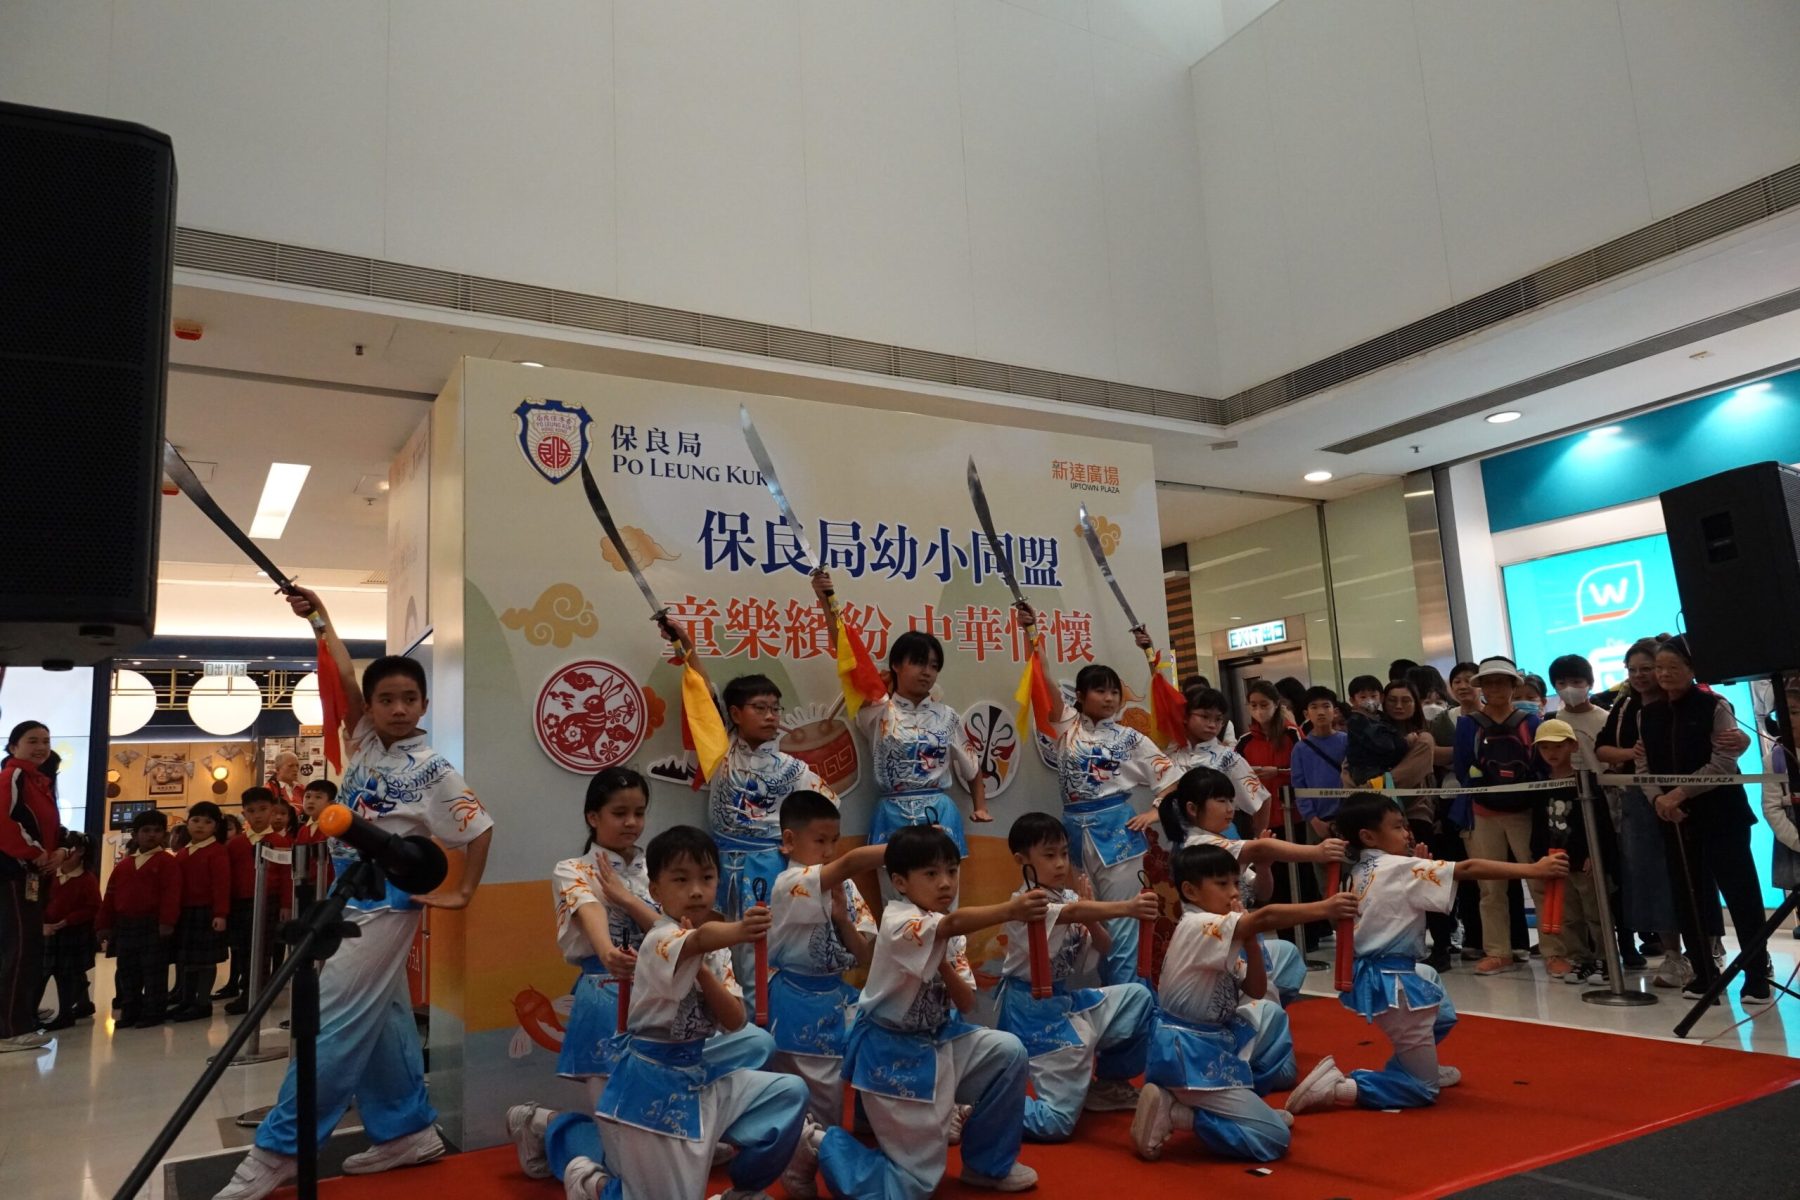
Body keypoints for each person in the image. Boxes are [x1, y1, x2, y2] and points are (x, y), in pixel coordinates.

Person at [216, 586, 495, 1200]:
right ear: (371, 706)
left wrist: (464, 893)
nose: (398, 708)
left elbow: (480, 828)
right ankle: (407, 1131)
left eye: (409, 699)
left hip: (387, 903)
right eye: (386, 699)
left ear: (424, 705)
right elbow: (343, 677)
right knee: (385, 1017)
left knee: (334, 1022)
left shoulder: (436, 769)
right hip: (349, 893)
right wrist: (320, 618)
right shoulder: (364, 738)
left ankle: (278, 1151)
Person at [1287, 793, 1567, 1115]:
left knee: (1433, 988)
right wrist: (1534, 869)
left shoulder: (1359, 869)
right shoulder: (1400, 867)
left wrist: (1419, 867)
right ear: (1368, 836)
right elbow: (1469, 867)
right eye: (1397, 827)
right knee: (1423, 1090)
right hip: (1395, 983)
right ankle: (1342, 1087)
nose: (1406, 833)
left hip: (1378, 974)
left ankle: (1418, 1065)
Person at [815, 825, 1043, 1197]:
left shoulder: (949, 931)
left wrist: (941, 960)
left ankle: (987, 1165)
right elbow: (949, 923)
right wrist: (1011, 909)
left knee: (1008, 1052)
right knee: (915, 1184)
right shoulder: (898, 920)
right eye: (931, 873)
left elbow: (966, 1002)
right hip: (891, 1050)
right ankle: (817, 1143)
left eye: (952, 871)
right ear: (900, 882)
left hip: (938, 1039)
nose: (946, 883)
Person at [589, 826, 809, 1200]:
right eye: (681, 880)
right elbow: (699, 939)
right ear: (655, 891)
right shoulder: (661, 937)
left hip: (699, 1074)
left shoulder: (716, 949)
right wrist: (740, 929)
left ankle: (744, 1189)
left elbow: (735, 1020)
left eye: (706, 878)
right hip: (654, 1078)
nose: (695, 890)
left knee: (788, 1092)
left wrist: (704, 970)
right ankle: (590, 1183)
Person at [1130, 843, 1356, 1164]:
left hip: (1212, 1040)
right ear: (1190, 891)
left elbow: (1256, 989)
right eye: (1222, 884)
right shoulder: (1199, 923)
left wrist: (1250, 940)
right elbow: (1268, 916)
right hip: (1186, 1051)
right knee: (1274, 1139)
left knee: (1270, 1017)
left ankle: (1238, 1107)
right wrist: (1325, 908)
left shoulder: (1224, 930)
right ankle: (1179, 1113)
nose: (1233, 892)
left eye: (1235, 883)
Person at [664, 614, 836, 999]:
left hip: (769, 866)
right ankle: (730, 1019)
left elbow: (825, 813)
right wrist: (686, 645)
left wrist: (799, 851)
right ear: (736, 714)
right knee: (717, 948)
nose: (771, 715)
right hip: (718, 866)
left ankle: (765, 1017)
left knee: (764, 949)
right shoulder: (720, 748)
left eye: (775, 708)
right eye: (760, 707)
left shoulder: (794, 769)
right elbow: (702, 694)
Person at [1028, 600, 1177, 986]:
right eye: (1100, 691)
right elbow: (1045, 681)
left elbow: (1171, 776)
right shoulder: (1067, 725)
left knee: (1124, 920)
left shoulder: (1130, 737)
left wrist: (1155, 810)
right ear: (1080, 695)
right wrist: (1033, 636)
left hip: (1119, 834)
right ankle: (1104, 998)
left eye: (1114, 692)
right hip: (1074, 834)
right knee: (1086, 919)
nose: (1110, 698)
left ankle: (1131, 999)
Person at [815, 570, 982, 896]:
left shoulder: (947, 716)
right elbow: (849, 657)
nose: (927, 672)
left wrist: (980, 806)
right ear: (896, 665)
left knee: (944, 902)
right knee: (897, 905)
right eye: (918, 663)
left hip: (940, 812)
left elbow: (972, 767)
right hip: (892, 815)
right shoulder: (877, 710)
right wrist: (827, 601)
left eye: (933, 666)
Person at [995, 812, 1156, 1142]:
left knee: (1139, 997)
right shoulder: (1024, 902)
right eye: (1049, 855)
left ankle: (1108, 1084)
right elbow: (1071, 913)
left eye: (1064, 854)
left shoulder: (1068, 897)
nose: (1060, 864)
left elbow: (1104, 945)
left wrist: (1092, 915)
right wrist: (1127, 908)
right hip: (1032, 1012)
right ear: (1021, 860)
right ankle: (979, 1107)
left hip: (1064, 1001)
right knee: (1055, 1123)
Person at [1638, 635, 1772, 1005]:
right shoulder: (1647, 713)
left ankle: (1756, 975)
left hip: (1722, 815)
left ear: (1692, 670)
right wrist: (1659, 799)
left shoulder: (1714, 705)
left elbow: (1724, 763)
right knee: (1688, 898)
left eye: (1673, 667)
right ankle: (1703, 974)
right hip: (1674, 819)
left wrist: (1679, 793)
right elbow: (1642, 766)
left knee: (1741, 896)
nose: (1664, 674)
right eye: (1659, 667)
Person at [1156, 767, 1343, 1003]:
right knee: (1260, 1002)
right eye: (1221, 801)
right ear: (1193, 809)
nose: (1230, 808)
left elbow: (1262, 893)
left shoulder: (1221, 843)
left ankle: (1263, 1005)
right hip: (1215, 936)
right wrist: (1317, 852)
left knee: (1286, 954)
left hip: (1239, 931)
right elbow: (1261, 849)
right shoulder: (1198, 843)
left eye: (1231, 800)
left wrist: (1264, 868)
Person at [765, 789, 882, 1151]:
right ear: (789, 840)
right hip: (795, 996)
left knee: (886, 1035)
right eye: (820, 841)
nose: (829, 850)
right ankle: (802, 1155)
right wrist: (911, 847)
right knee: (813, 1101)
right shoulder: (790, 882)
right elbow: (850, 862)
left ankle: (869, 1120)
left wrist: (842, 918)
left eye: (835, 840)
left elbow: (863, 955)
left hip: (837, 994)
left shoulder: (844, 886)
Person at [1595, 638, 1689, 984]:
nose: (1639, 676)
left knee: (1691, 873)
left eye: (1647, 668)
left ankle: (1707, 947)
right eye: (1632, 670)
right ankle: (1672, 955)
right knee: (1650, 877)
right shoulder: (1624, 706)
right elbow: (1602, 748)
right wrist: (1631, 755)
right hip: (1637, 801)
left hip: (1684, 797)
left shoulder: (1684, 701)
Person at [1452, 656, 1542, 975]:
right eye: (1488, 683)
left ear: (1512, 686)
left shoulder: (1531, 722)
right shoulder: (1468, 725)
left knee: (1539, 880)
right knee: (1490, 887)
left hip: (1524, 811)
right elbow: (1462, 767)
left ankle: (1557, 950)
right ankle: (1497, 951)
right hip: (1482, 812)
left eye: (1501, 682)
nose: (1495, 688)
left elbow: (1541, 765)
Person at [0, 719, 64, 1052]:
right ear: (14, 746)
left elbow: (50, 829)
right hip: (14, 875)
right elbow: (3, 822)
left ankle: (18, 1014)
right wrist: (35, 852)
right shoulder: (13, 776)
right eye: (32, 740)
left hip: (31, 876)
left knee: (23, 948)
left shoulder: (39, 781)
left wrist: (59, 851)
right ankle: (10, 1028)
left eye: (45, 740)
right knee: (20, 949)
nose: (41, 747)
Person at [97, 809, 180, 1028]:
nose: (151, 835)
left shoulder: (167, 862)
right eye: (146, 830)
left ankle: (154, 1011)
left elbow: (171, 894)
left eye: (157, 831)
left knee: (154, 971)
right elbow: (110, 895)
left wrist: (167, 921)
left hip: (153, 924)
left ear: (164, 835)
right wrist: (104, 925)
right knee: (127, 970)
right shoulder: (124, 865)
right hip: (125, 925)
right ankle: (130, 1011)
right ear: (135, 834)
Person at [1158, 685, 1270, 836]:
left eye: (1218, 719)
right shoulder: (1172, 754)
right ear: (1185, 716)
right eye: (1205, 717)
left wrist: (1260, 838)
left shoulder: (1228, 758)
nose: (1212, 725)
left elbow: (1262, 801)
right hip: (1181, 837)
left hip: (1221, 837)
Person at [170, 802, 231, 1021]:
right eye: (195, 820)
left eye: (207, 822)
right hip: (186, 912)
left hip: (206, 912)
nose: (200, 826)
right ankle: (186, 1000)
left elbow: (221, 885)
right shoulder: (183, 853)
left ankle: (203, 1003)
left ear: (216, 826)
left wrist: (220, 914)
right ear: (187, 823)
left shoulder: (217, 852)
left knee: (205, 961)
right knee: (187, 960)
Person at [219, 787, 277, 1011]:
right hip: (241, 904)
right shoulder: (235, 844)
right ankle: (247, 991)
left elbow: (285, 877)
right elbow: (228, 878)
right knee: (242, 949)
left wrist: (285, 905)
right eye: (251, 811)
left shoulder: (281, 841)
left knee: (263, 950)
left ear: (272, 810)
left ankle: (258, 994)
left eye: (263, 809)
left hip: (268, 902)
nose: (258, 815)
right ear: (244, 814)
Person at [38, 831, 99, 1030]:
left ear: (79, 851)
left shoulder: (87, 879)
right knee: (45, 972)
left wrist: (68, 920)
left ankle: (66, 1013)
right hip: (50, 931)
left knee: (67, 974)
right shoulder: (50, 876)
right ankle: (82, 1004)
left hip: (72, 932)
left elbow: (93, 907)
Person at [1763, 677, 1800, 940]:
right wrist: (1797, 841)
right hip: (1793, 839)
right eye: (1783, 714)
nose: (1789, 720)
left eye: (1795, 712)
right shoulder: (1774, 759)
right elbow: (1771, 807)